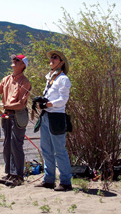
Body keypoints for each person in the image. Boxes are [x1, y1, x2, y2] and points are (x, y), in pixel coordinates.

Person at [0, 54, 31, 187]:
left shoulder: (26, 82)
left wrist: (3, 106)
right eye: (13, 60)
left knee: (16, 144)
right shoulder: (6, 79)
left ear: (23, 65)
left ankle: (18, 175)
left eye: (17, 60)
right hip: (6, 115)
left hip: (18, 115)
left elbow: (20, 104)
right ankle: (9, 173)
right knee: (7, 144)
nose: (13, 61)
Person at [34, 50, 73, 191]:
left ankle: (65, 182)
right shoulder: (50, 78)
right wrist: (41, 103)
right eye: (51, 57)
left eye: (55, 58)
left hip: (56, 117)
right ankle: (49, 180)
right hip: (46, 116)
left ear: (61, 62)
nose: (51, 59)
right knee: (46, 150)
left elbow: (63, 100)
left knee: (59, 150)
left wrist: (48, 104)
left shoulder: (63, 79)